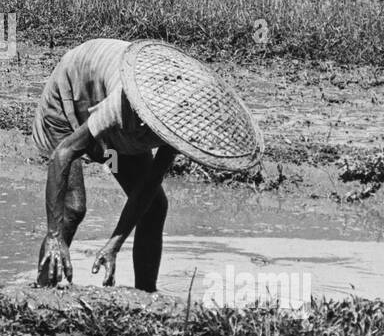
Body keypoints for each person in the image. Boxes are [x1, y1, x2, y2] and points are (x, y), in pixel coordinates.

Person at [33, 38, 263, 292]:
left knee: (154, 207)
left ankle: (147, 295)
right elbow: (62, 155)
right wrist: (54, 235)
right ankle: (43, 291)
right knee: (72, 207)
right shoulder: (121, 107)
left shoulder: (179, 122)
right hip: (69, 97)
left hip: (117, 129)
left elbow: (149, 185)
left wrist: (114, 244)